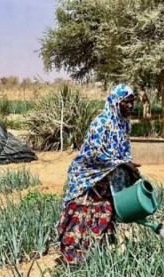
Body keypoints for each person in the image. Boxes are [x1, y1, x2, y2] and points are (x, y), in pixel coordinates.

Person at [56, 84, 142, 265]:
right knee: (80, 215)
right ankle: (72, 259)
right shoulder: (101, 123)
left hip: (109, 181)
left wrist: (130, 167)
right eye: (126, 102)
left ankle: (96, 257)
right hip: (89, 178)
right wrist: (122, 163)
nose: (130, 106)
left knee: (105, 214)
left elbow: (124, 151)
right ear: (115, 102)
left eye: (132, 102)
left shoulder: (124, 125)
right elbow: (93, 154)